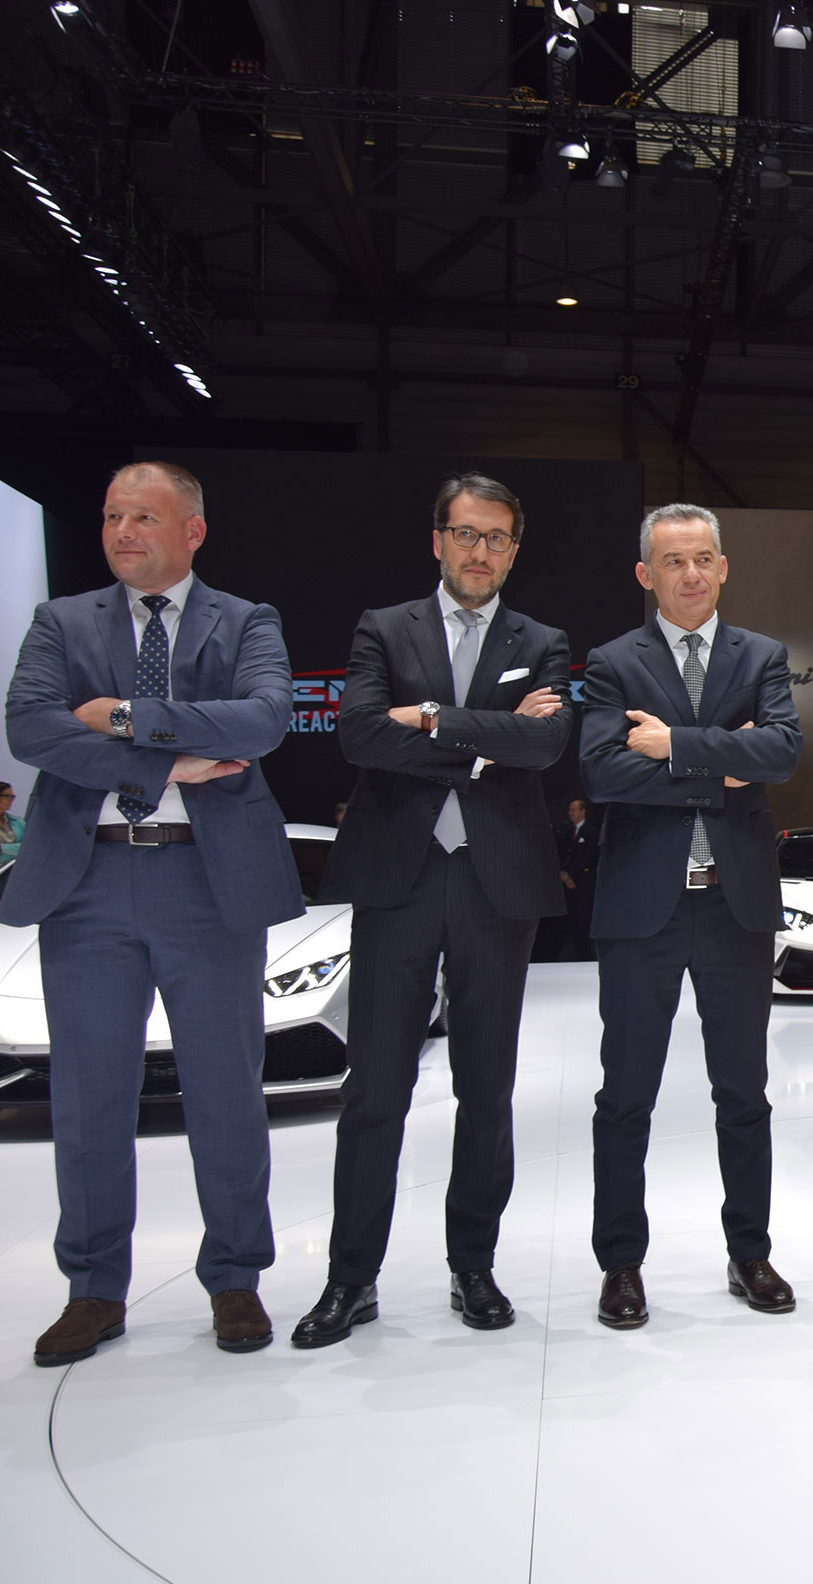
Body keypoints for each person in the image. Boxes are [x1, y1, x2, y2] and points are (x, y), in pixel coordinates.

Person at [4, 461, 303, 1365]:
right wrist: (166, 761)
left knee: (225, 1089)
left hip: (207, 882)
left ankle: (235, 1277)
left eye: (143, 516)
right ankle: (94, 1287)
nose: (123, 531)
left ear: (192, 531)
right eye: (111, 516)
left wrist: (122, 716)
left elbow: (262, 721)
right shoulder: (60, 622)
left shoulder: (245, 621)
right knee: (89, 1095)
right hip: (87, 882)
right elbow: (31, 727)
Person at [292, 472, 573, 1348]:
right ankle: (350, 1278)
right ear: (438, 540)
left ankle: (473, 1266)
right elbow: (359, 733)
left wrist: (427, 720)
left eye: (496, 537)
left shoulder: (542, 640)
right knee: (375, 1087)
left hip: (497, 883)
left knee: (486, 1089)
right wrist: (483, 739)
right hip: (399, 878)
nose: (479, 551)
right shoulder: (385, 627)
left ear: (514, 550)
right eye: (465, 534)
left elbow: (544, 742)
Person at [580, 504, 804, 1327]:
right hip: (642, 908)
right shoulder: (613, 662)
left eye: (704, 557)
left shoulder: (762, 655)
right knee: (625, 1096)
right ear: (647, 574)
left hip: (735, 907)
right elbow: (602, 773)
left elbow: (780, 751)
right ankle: (621, 1264)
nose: (691, 573)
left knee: (743, 1091)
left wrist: (673, 744)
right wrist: (721, 760)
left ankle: (751, 1252)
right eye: (673, 561)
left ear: (723, 565)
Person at [557, 795, 599, 958]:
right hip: (567, 883)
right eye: (569, 810)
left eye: (574, 809)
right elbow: (562, 854)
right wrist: (564, 875)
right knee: (571, 920)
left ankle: (587, 954)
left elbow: (588, 856)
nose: (571, 813)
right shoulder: (567, 833)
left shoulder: (591, 831)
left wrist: (570, 874)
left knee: (584, 919)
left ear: (583, 812)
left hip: (583, 882)